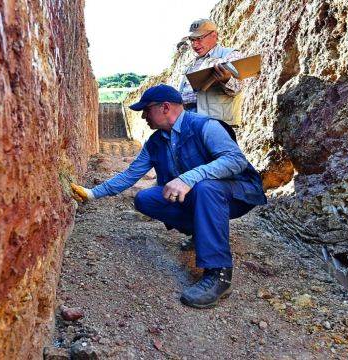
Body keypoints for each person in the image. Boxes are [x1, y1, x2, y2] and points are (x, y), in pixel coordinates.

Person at [70, 84, 266, 309]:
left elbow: (235, 161)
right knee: (146, 199)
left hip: (236, 194)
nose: (143, 116)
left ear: (165, 107)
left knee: (205, 188)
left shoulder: (205, 126)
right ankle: (200, 232)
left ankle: (218, 274)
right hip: (201, 198)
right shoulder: (156, 142)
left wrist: (189, 178)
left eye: (146, 110)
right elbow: (130, 175)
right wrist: (92, 193)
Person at [177, 19, 244, 128]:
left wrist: (226, 79)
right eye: (192, 40)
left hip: (216, 125)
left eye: (199, 39)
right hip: (189, 122)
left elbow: (237, 88)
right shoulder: (191, 64)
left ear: (213, 35)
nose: (194, 44)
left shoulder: (229, 55)